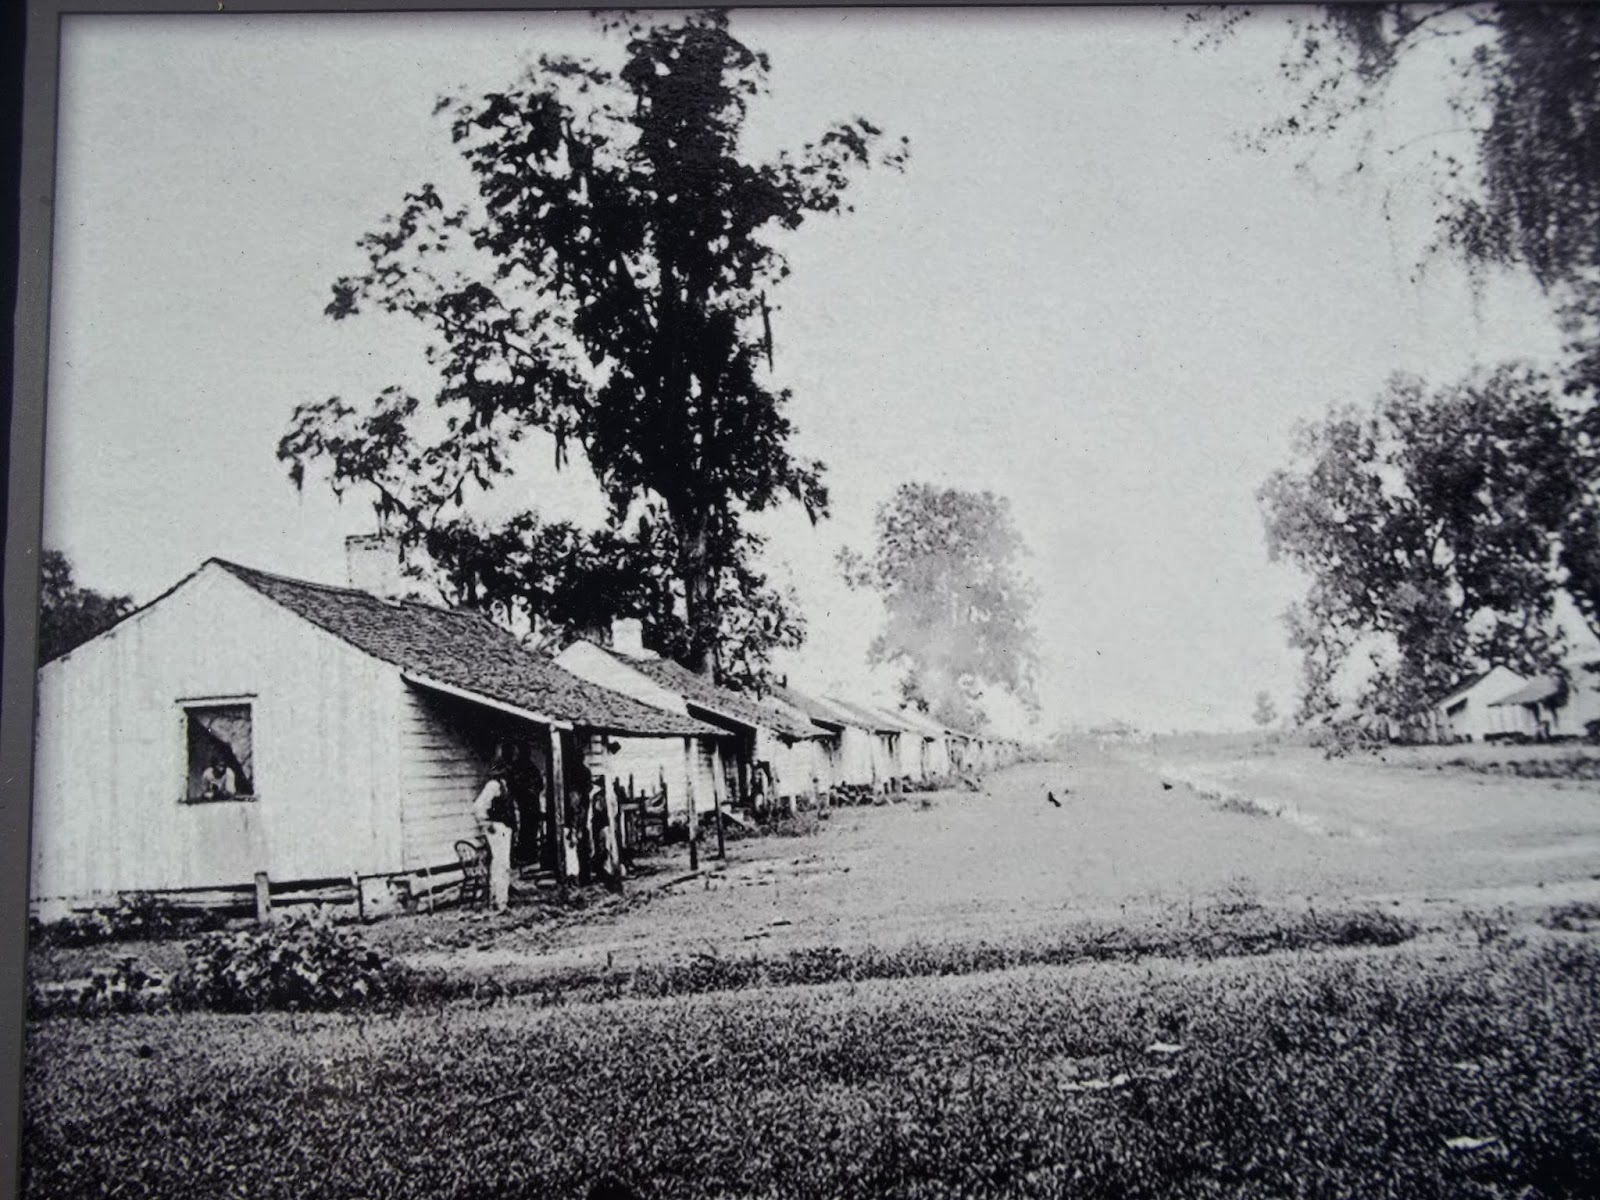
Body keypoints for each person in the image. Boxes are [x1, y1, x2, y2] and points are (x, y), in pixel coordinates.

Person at [473, 743, 519, 913]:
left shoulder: (504, 785)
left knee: (503, 864)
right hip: (497, 828)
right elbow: (478, 806)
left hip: (504, 828)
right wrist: (487, 823)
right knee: (500, 864)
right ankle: (498, 902)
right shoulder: (493, 785)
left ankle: (500, 900)